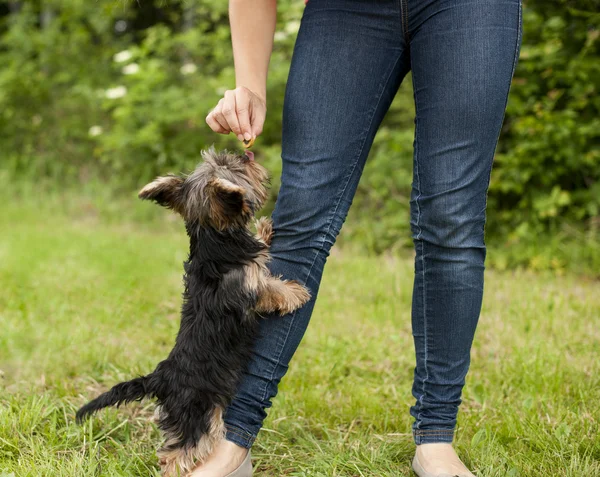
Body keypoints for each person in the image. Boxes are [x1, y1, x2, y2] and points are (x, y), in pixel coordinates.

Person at [197, 0, 522, 475]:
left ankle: (435, 439)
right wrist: (249, 85)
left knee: (451, 219)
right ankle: (233, 439)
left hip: (469, 10)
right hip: (345, 10)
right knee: (301, 218)